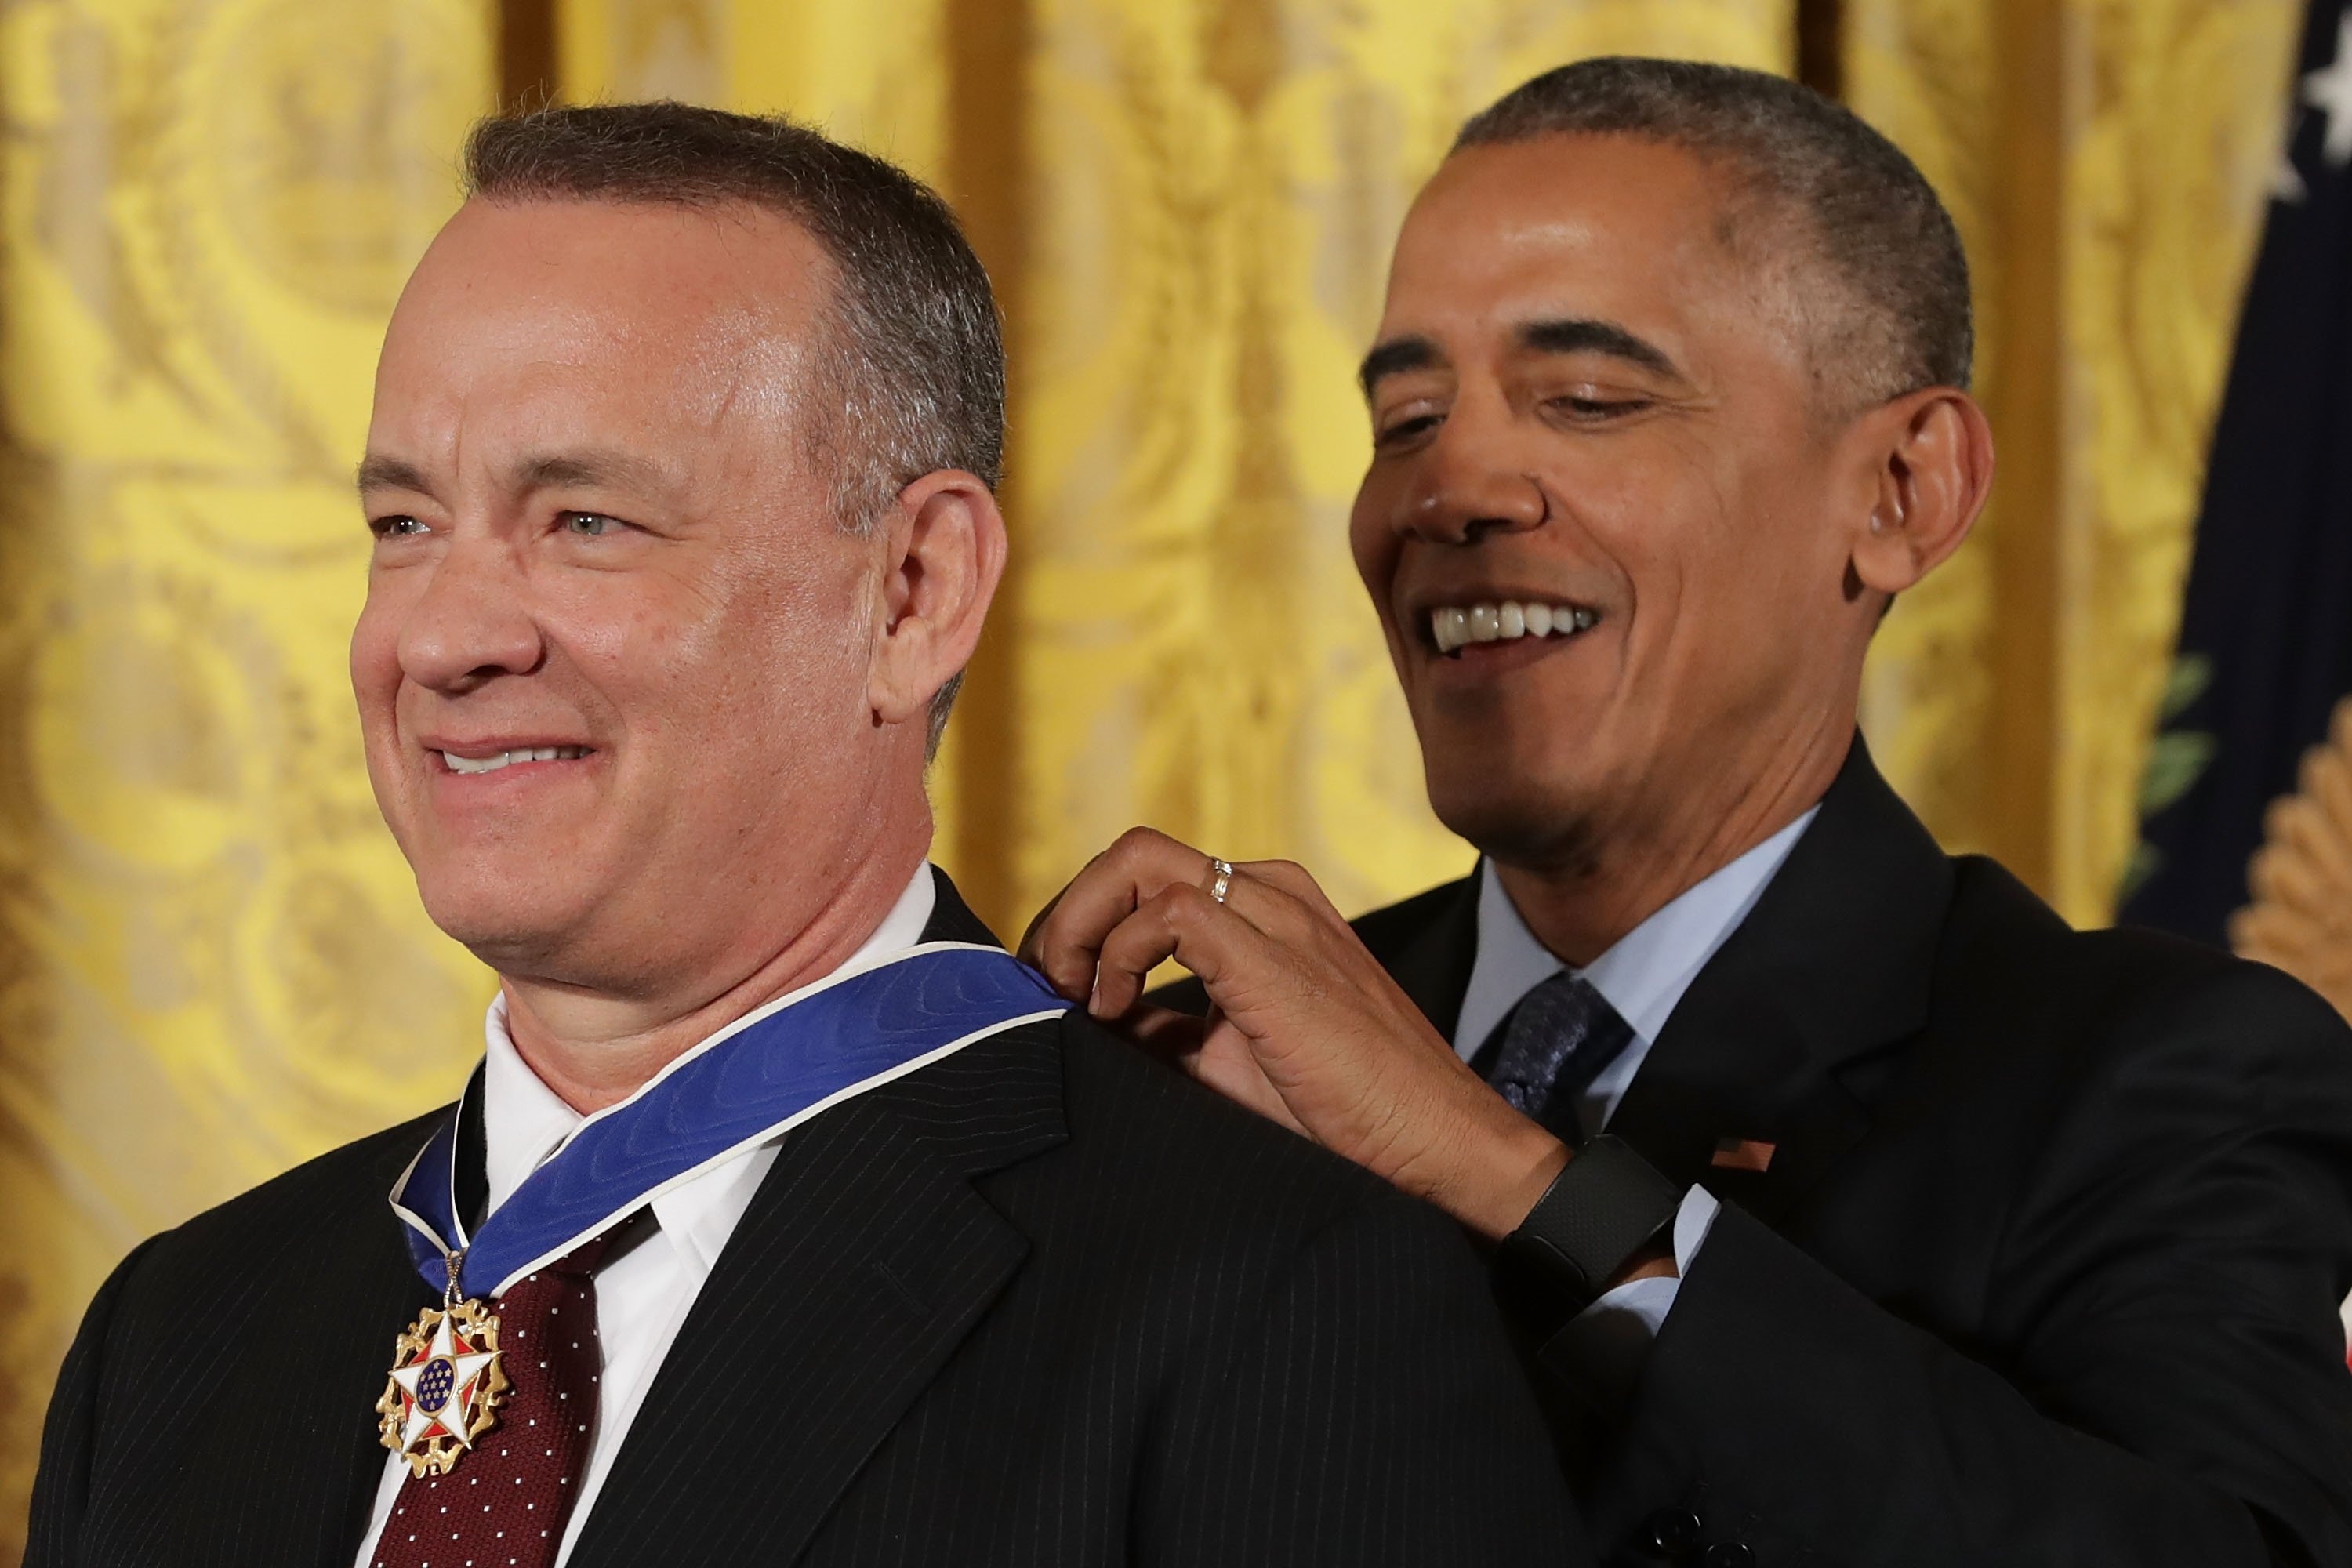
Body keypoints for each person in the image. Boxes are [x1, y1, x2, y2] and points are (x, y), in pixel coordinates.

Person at [25, 104, 1590, 1568]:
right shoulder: (180, 1334)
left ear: (912, 593)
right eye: (405, 525)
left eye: (584, 520)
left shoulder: (1279, 1304)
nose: (442, 639)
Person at [1025, 57, 2352, 1567]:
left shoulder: (2148, 1074)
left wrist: (1509, 1180)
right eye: (1404, 418)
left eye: (1585, 399)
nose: (1449, 487)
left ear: (1904, 492)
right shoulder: (1205, 1071)